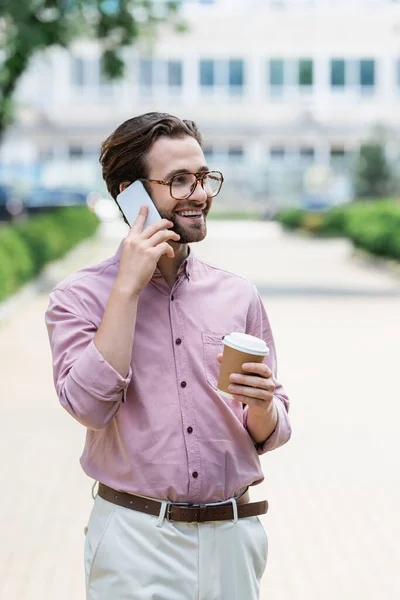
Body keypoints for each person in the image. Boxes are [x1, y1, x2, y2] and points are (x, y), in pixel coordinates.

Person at [45, 112, 291, 600]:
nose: (199, 194)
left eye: (202, 178)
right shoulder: (78, 298)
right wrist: (128, 288)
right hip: (136, 541)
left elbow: (272, 427)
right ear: (129, 193)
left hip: (233, 537)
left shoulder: (237, 294)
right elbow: (89, 408)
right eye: (179, 181)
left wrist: (264, 406)